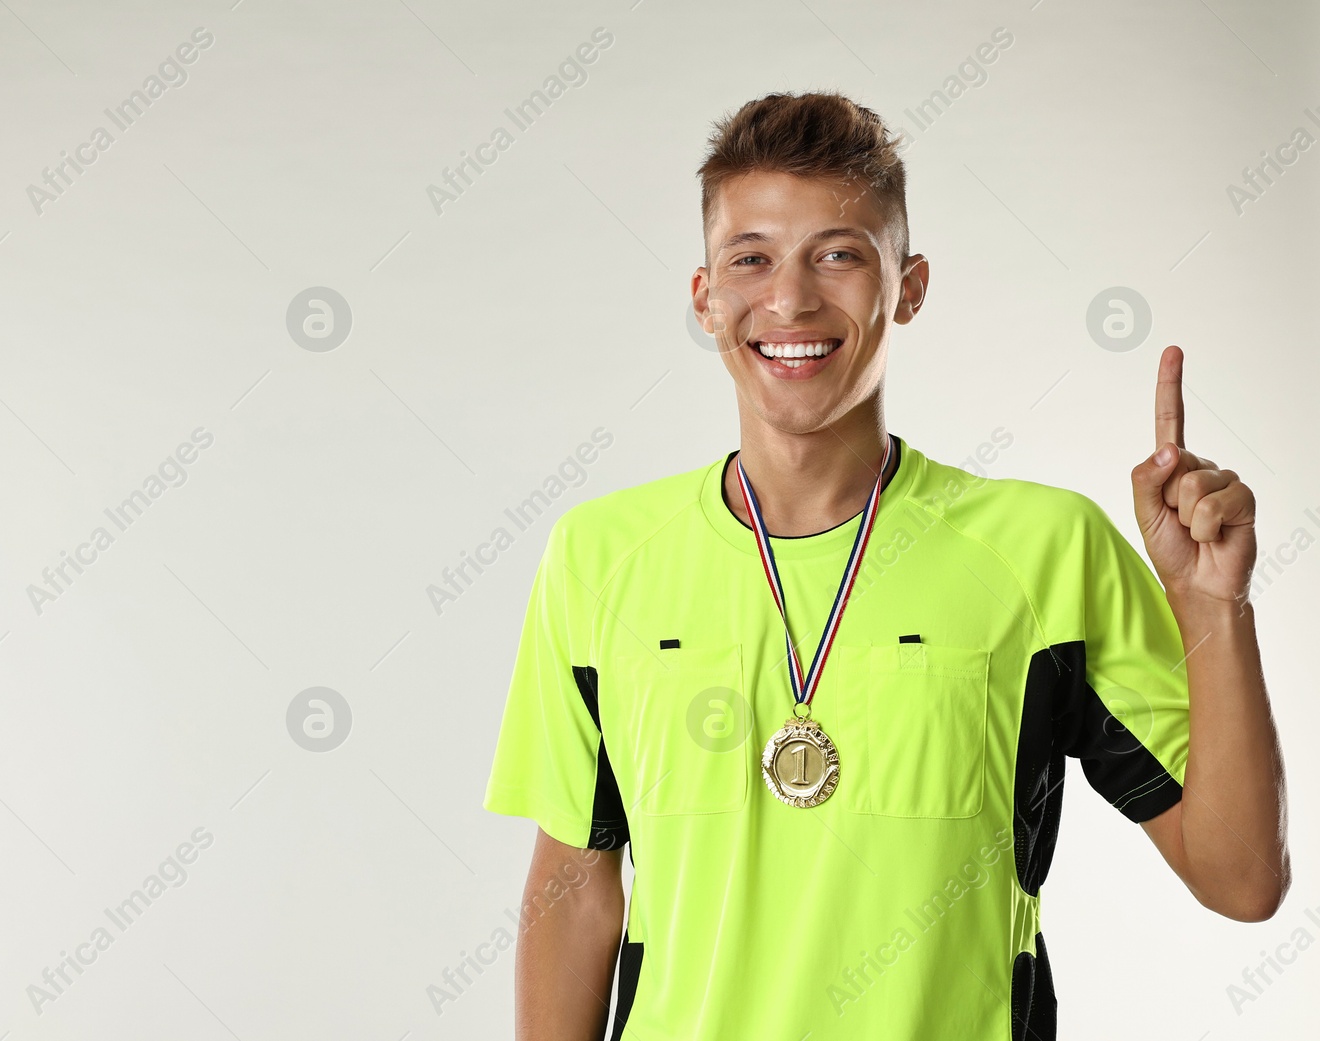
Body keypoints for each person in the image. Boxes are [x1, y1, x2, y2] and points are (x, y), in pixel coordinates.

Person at [481, 90, 1289, 1040]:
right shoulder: (599, 555)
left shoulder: (1045, 551)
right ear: (705, 296)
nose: (789, 299)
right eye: (751, 258)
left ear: (908, 283)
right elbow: (576, 890)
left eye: (839, 253)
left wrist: (1211, 606)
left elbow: (1242, 881)